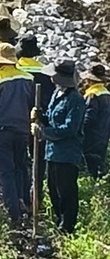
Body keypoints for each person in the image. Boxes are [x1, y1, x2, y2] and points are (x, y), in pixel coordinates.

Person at [0, 43, 34, 226]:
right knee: (21, 166)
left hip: (2, 130)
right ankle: (24, 201)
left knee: (6, 171)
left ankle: (13, 212)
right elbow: (32, 105)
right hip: (23, 130)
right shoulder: (28, 78)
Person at [38, 60, 85, 233]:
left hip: (67, 153)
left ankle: (67, 227)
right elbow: (51, 117)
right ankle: (59, 222)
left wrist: (45, 132)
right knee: (53, 190)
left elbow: (70, 128)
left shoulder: (75, 99)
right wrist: (40, 117)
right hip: (52, 152)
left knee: (66, 192)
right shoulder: (56, 94)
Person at [16, 33, 53, 204]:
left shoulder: (15, 70)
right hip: (39, 121)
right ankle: (36, 194)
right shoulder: (45, 72)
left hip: (18, 120)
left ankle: (22, 194)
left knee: (20, 159)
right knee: (38, 159)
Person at [82, 63, 110, 178]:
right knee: (99, 164)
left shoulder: (92, 95)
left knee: (91, 166)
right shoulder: (107, 93)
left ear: (89, 81)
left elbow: (89, 118)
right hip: (104, 135)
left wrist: (80, 131)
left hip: (91, 137)